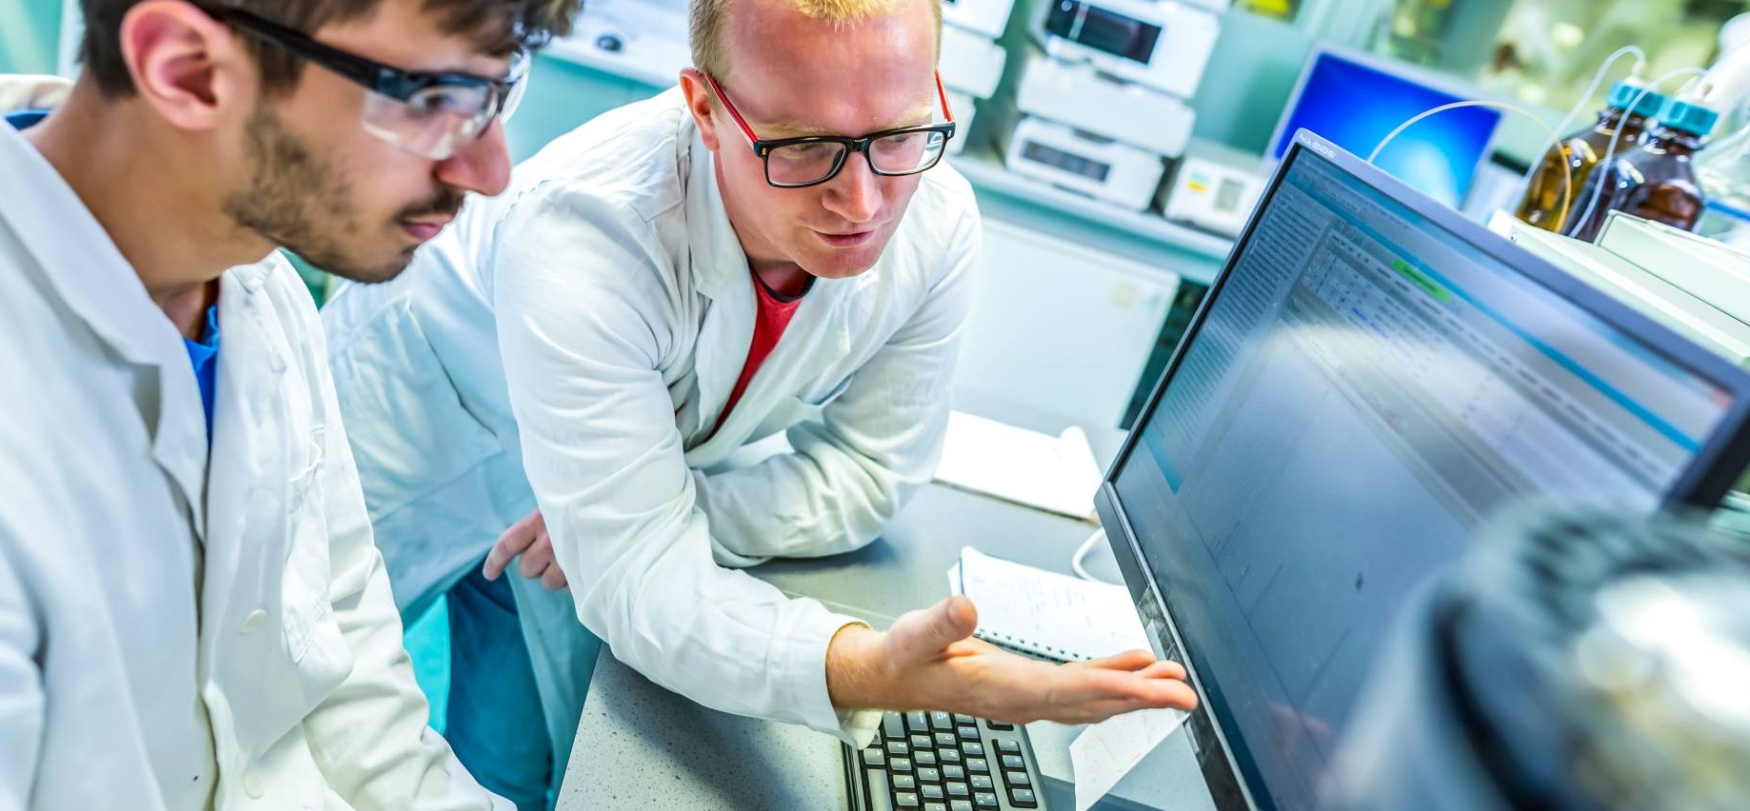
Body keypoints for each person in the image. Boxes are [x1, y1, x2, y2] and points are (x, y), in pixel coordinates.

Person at [321, 0, 1198, 804]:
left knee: (514, 757)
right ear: (704, 108)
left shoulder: (936, 226)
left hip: (585, 479)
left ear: (935, 86)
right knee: (298, 697)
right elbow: (643, 576)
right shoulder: (588, 228)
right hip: (430, 419)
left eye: (897, 134)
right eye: (802, 146)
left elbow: (872, 470)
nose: (862, 203)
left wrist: (662, 506)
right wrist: (863, 663)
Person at [0, 0, 576, 807]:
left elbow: (344, 652)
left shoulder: (252, 276)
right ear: (187, 69)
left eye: (497, 93)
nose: (491, 172)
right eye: (435, 99)